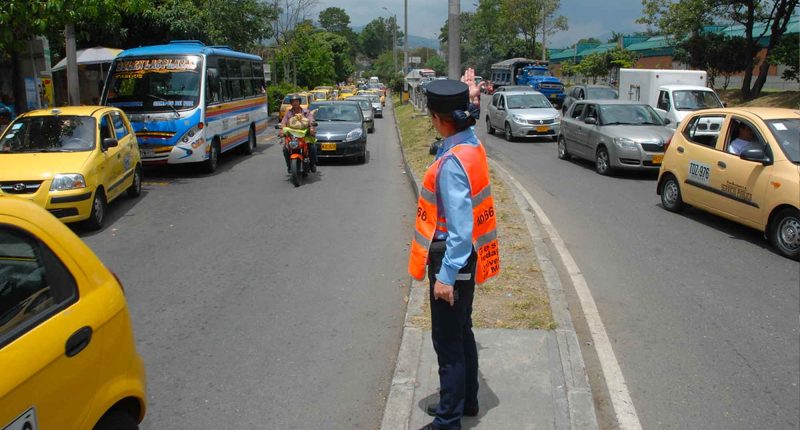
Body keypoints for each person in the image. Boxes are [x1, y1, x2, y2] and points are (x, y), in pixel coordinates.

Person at [408, 70, 500, 430]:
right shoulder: (470, 145)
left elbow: (460, 233)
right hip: (467, 257)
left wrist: (445, 277)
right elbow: (467, 122)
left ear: (436, 118)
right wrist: (469, 95)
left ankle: (447, 421)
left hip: (452, 258)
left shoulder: (450, 164)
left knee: (447, 342)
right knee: (462, 331)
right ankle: (467, 400)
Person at [279, 94, 317, 173]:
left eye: (296, 101)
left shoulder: (305, 112)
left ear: (299, 102)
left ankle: (312, 164)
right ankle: (289, 166)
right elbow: (283, 122)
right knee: (285, 149)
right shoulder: (288, 113)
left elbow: (311, 119)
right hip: (292, 137)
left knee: (312, 147)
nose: (295, 103)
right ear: (291, 103)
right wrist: (282, 130)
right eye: (293, 101)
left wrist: (311, 127)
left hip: (305, 136)